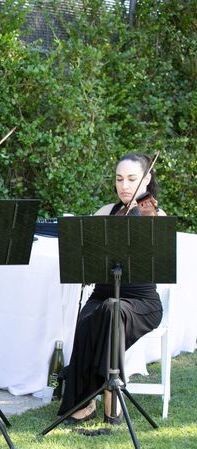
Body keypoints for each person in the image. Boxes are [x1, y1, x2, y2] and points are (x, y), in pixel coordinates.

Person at [58, 152, 166, 425]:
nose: (124, 186)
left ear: (147, 178)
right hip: (104, 294)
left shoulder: (154, 214)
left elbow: (157, 263)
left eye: (132, 179)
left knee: (112, 312)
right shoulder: (105, 212)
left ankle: (109, 396)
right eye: (119, 179)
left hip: (141, 302)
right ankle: (86, 401)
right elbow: (86, 258)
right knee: (90, 317)